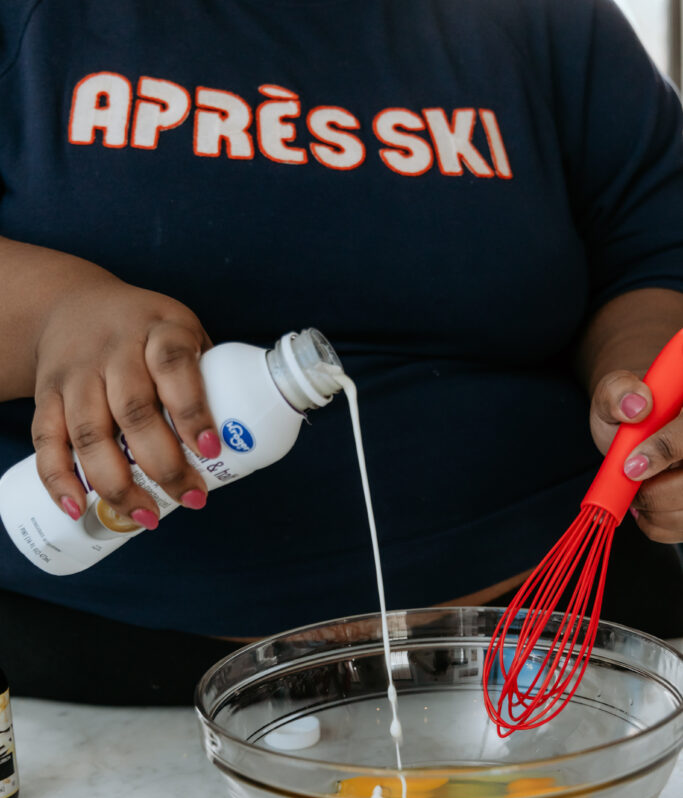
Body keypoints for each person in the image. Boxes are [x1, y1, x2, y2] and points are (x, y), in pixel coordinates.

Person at [0, 0, 682, 704]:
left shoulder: (546, 20)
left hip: (563, 654)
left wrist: (642, 391)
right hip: (93, 683)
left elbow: (652, 250)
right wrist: (52, 314)